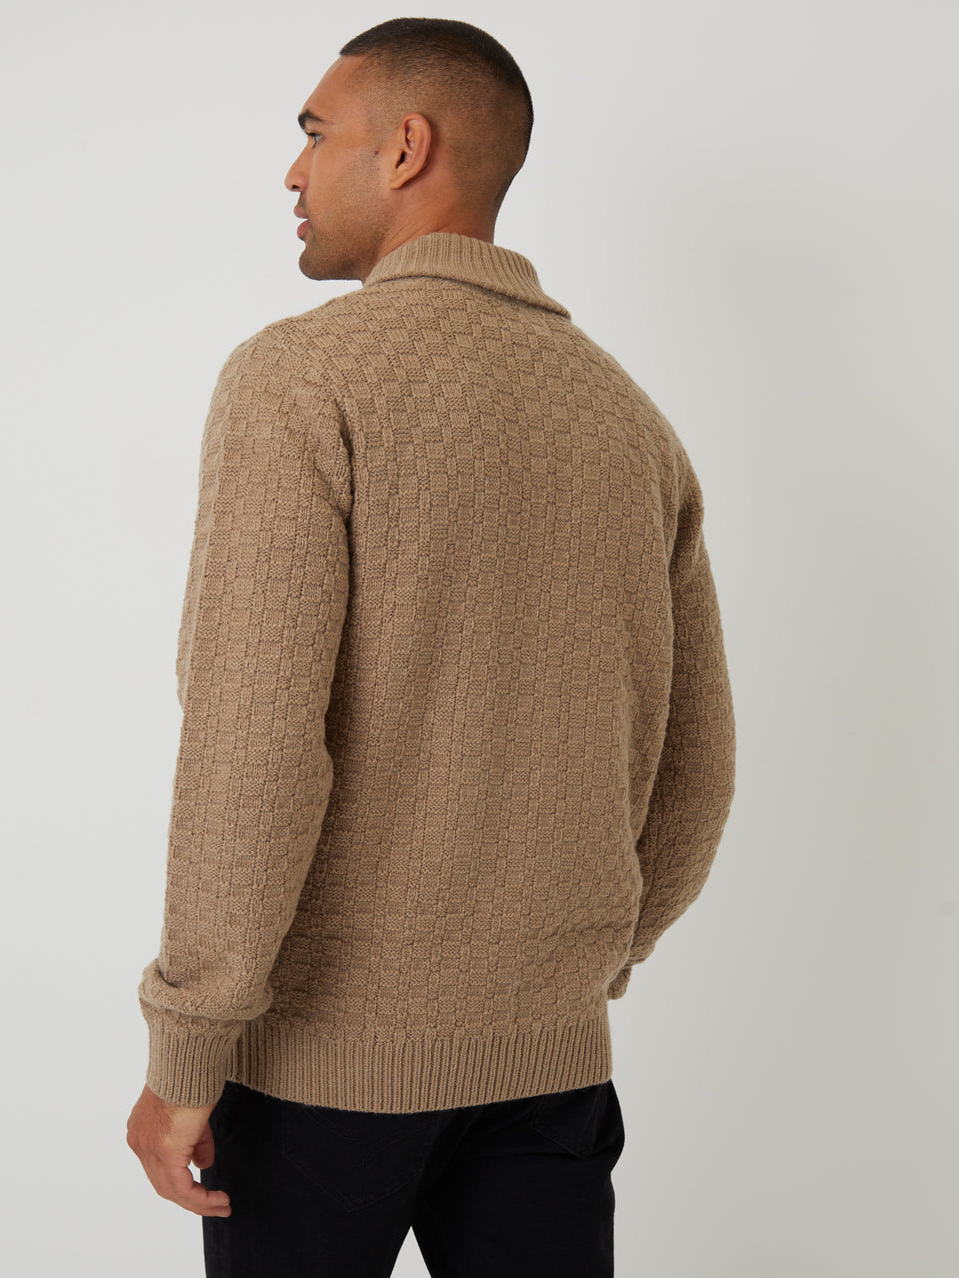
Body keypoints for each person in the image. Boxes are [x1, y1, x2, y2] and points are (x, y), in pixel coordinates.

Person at [125, 16, 737, 1277]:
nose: (291, 171)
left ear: (405, 148)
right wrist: (579, 963)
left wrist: (188, 1048)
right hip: (551, 1073)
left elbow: (254, 744)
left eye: (314, 134)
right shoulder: (626, 418)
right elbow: (696, 764)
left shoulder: (303, 380)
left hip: (318, 1078)